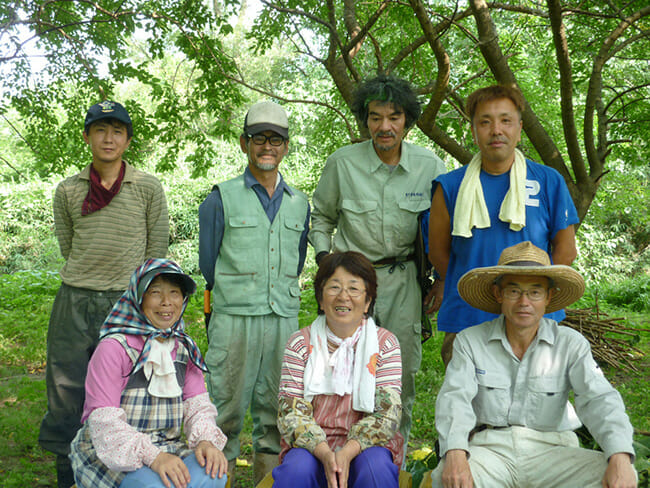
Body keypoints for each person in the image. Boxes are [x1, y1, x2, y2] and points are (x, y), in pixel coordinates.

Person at [422, 241, 637, 488]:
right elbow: (455, 400)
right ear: (498, 294)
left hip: (553, 451)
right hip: (490, 450)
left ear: (549, 297)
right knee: (445, 478)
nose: (524, 302)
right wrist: (455, 454)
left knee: (618, 474)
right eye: (514, 291)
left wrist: (620, 455)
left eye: (535, 292)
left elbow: (599, 399)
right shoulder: (470, 341)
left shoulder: (570, 344)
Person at [309, 74, 446, 445]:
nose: (385, 127)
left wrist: (443, 282)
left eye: (394, 117)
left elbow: (446, 228)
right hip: (351, 284)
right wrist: (326, 261)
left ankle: (391, 454)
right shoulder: (343, 163)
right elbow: (320, 217)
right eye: (375, 117)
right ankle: (342, 449)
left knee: (401, 373)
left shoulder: (429, 165)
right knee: (342, 370)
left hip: (406, 281)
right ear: (365, 120)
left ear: (408, 120)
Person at [39, 100, 169, 487]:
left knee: (128, 396)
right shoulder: (68, 190)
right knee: (67, 394)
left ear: (127, 139)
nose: (108, 138)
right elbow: (69, 245)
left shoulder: (147, 187)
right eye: (100, 130)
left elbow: (156, 251)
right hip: (75, 300)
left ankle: (121, 475)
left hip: (126, 304)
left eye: (117, 131)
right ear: (87, 137)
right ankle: (69, 476)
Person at [198, 100, 310, 483]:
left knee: (279, 414)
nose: (267, 146)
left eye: (276, 139)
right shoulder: (220, 198)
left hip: (283, 320)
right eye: (258, 138)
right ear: (244, 143)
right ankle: (217, 480)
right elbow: (208, 264)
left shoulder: (300, 202)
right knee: (222, 412)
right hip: (233, 320)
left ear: (286, 147)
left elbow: (295, 262)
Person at [427, 84, 578, 366]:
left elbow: (566, 251)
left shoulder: (548, 181)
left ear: (519, 129)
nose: (496, 130)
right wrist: (482, 291)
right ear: (473, 131)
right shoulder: (450, 186)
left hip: (534, 318)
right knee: (467, 406)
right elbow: (438, 253)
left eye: (505, 120)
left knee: (538, 404)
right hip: (467, 318)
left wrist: (531, 296)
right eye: (485, 122)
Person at [69, 258, 228, 488]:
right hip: (113, 452)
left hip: (167, 448)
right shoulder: (114, 348)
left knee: (213, 473)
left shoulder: (184, 349)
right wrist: (153, 457)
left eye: (174, 293)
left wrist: (205, 441)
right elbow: (105, 424)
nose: (166, 302)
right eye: (155, 292)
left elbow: (198, 407)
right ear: (138, 297)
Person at [272, 251, 404, 488]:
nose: (343, 297)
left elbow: (387, 414)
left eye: (354, 289)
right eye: (334, 288)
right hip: (310, 448)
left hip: (366, 447)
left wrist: (346, 452)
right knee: (297, 470)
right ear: (321, 300)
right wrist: (325, 453)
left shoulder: (385, 344)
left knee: (375, 469)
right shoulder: (300, 343)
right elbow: (290, 413)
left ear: (367, 302)